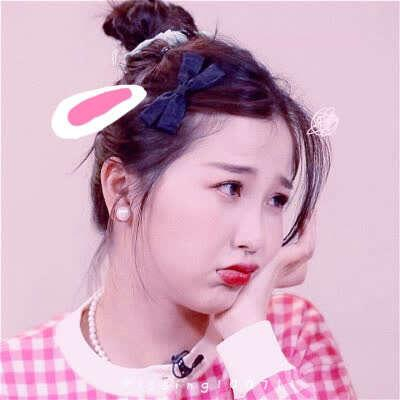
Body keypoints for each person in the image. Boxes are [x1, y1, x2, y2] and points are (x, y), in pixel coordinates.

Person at [0, 0, 358, 398]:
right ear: (121, 188)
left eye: (276, 199)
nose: (255, 238)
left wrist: (248, 343)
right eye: (231, 187)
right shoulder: (16, 378)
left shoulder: (289, 339)